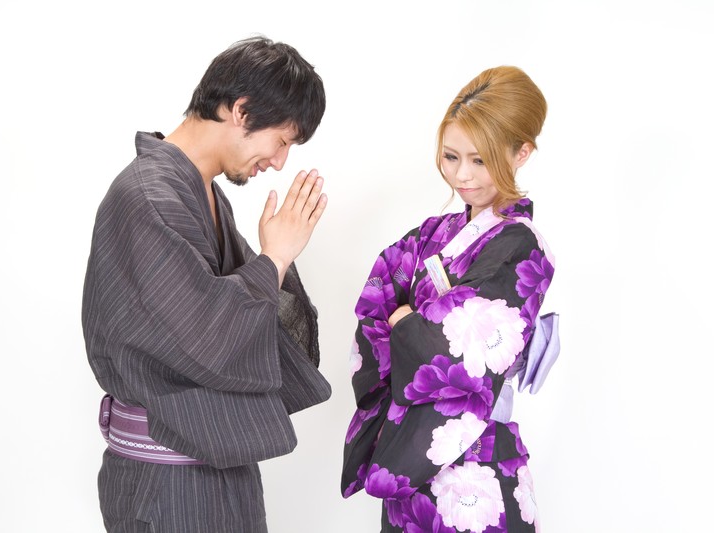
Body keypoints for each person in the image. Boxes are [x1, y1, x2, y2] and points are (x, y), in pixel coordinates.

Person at [82, 36, 332, 533]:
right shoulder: (146, 196)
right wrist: (274, 258)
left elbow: (252, 322)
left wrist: (273, 263)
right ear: (242, 110)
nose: (279, 161)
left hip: (216, 468)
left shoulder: (206, 194)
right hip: (165, 485)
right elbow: (205, 336)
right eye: (282, 140)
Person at [341, 66, 558, 532]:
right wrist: (412, 322)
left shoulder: (521, 244)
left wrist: (407, 323)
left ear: (521, 153)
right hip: (413, 472)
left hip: (478, 468)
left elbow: (456, 348)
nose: (462, 175)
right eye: (451, 156)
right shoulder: (434, 234)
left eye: (480, 160)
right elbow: (376, 297)